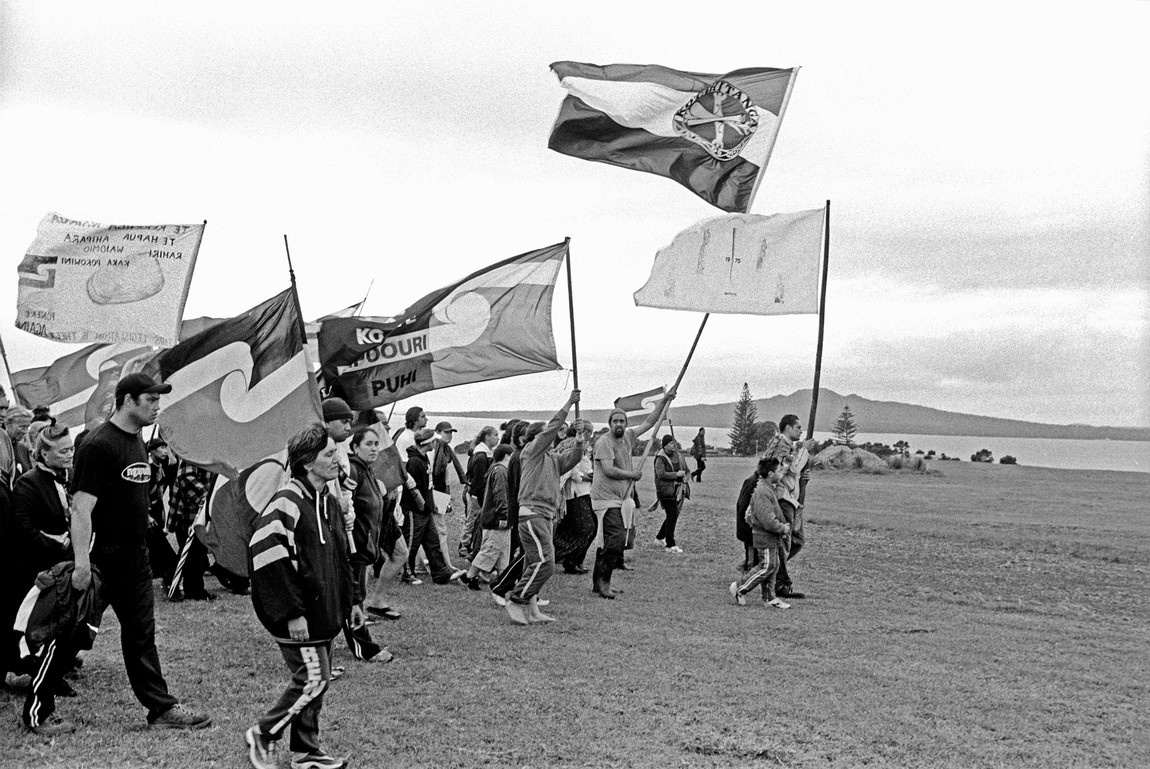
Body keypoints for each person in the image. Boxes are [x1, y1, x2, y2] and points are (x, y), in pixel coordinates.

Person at [68, 373, 211, 730]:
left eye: (158, 400)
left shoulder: (137, 443)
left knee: (141, 635)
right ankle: (38, 691)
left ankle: (161, 709)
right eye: (150, 400)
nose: (157, 406)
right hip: (103, 555)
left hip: (136, 557)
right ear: (127, 400)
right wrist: (81, 564)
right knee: (72, 630)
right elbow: (80, 509)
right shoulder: (98, 445)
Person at [246, 424, 359, 769]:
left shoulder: (327, 501)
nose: (337, 459)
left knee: (317, 683)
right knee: (313, 680)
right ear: (308, 462)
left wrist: (352, 601)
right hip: (299, 615)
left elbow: (340, 557)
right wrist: (292, 612)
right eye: (329, 454)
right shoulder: (287, 502)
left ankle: (306, 751)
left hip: (324, 613)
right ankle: (264, 734)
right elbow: (266, 557)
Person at [12, 425, 83, 732]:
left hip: (63, 569)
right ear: (43, 454)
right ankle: (44, 684)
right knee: (46, 631)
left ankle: (56, 674)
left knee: (67, 625)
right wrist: (61, 542)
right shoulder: (28, 484)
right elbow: (24, 532)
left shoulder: (67, 478)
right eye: (64, 450)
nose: (70, 454)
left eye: (71, 449)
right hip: (39, 572)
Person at [505, 391, 583, 625]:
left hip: (545, 516)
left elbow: (574, 458)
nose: (553, 437)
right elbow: (551, 429)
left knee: (533, 562)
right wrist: (569, 403)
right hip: (532, 514)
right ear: (536, 439)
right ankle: (516, 598)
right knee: (546, 563)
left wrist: (579, 439)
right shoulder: (531, 452)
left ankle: (533, 610)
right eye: (546, 436)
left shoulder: (552, 459)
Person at [590, 393, 673, 599]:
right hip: (605, 499)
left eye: (622, 421)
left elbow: (650, 421)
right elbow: (608, 470)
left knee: (608, 541)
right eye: (615, 421)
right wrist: (631, 475)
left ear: (626, 423)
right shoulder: (604, 442)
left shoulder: (628, 436)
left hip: (621, 498)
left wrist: (665, 400)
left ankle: (597, 582)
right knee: (616, 539)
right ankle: (604, 583)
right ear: (609, 423)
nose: (619, 424)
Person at [344, 426, 392, 661]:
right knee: (354, 599)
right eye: (368, 444)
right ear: (354, 447)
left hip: (365, 546)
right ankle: (366, 649)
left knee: (354, 598)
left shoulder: (367, 471)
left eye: (376, 444)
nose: (374, 448)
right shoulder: (353, 471)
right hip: (355, 547)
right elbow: (345, 506)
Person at [401, 429, 465, 586]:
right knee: (412, 543)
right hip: (415, 510)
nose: (435, 444)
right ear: (427, 443)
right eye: (433, 441)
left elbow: (427, 486)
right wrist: (421, 505)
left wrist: (432, 503)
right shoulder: (415, 462)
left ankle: (441, 573)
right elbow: (413, 490)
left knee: (433, 542)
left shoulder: (424, 459)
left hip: (427, 509)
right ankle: (407, 573)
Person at [729, 457, 792, 608]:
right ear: (770, 473)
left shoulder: (768, 488)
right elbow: (768, 520)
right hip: (764, 536)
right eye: (778, 471)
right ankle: (739, 588)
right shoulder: (763, 491)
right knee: (766, 566)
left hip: (770, 537)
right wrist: (782, 528)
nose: (781, 473)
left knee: (773, 566)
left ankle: (770, 598)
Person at [764, 415, 814, 600]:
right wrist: (805, 452)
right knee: (784, 542)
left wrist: (803, 476)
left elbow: (794, 471)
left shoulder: (787, 446)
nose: (800, 431)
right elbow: (788, 469)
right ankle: (778, 580)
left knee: (797, 540)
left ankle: (766, 567)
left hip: (791, 498)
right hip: (783, 498)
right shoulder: (782, 444)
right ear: (787, 428)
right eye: (797, 427)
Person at [461, 444, 514, 589]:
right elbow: (500, 495)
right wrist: (503, 515)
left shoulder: (496, 470)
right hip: (496, 519)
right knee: (489, 550)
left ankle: (504, 582)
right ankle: (468, 576)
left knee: (503, 552)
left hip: (499, 519)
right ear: (507, 456)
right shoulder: (501, 471)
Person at [554, 422, 596, 574]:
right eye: (588, 432)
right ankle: (565, 558)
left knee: (589, 528)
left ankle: (576, 559)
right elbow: (569, 470)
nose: (590, 435)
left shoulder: (583, 445)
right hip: (574, 493)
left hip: (585, 492)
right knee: (585, 528)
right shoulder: (571, 444)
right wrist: (586, 477)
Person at [429, 421, 466, 569]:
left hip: (439, 493)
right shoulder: (437, 448)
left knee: (431, 530)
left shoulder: (445, 449)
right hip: (434, 493)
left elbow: (445, 477)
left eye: (451, 432)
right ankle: (446, 564)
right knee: (440, 530)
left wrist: (447, 497)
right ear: (438, 432)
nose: (450, 435)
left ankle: (420, 565)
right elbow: (435, 474)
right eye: (447, 432)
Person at [460, 426, 498, 560]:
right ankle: (464, 545)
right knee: (472, 520)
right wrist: (481, 497)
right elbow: (479, 480)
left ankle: (467, 545)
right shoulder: (481, 456)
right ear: (487, 437)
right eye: (495, 435)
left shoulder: (483, 453)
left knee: (473, 520)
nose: (498, 438)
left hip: (475, 493)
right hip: (477, 495)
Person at [653, 435, 690, 553]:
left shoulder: (679, 456)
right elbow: (661, 474)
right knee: (673, 514)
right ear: (665, 445)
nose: (673, 445)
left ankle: (659, 538)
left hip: (677, 491)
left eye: (674, 443)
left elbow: (687, 471)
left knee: (672, 514)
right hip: (665, 491)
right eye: (670, 443)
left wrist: (685, 478)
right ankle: (670, 545)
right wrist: (676, 475)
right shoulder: (660, 458)